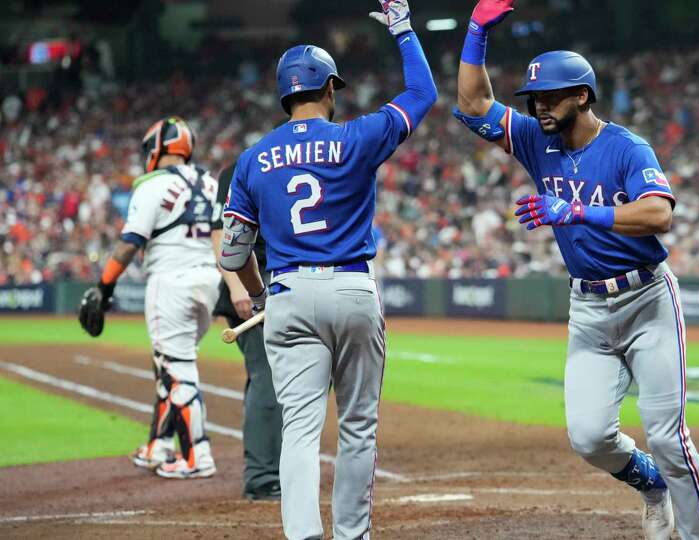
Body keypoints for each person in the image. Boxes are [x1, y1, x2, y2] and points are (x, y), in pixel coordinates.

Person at [453, 1, 699, 539]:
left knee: (668, 438)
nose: (539, 106)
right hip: (589, 309)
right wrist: (476, 33)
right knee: (589, 436)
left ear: (582, 95)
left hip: (646, 302)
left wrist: (577, 211)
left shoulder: (626, 147)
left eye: (550, 96)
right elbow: (475, 102)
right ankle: (651, 486)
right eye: (534, 98)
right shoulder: (534, 138)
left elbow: (659, 214)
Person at [218, 1, 436, 538]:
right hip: (352, 289)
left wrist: (260, 293)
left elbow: (232, 254)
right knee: (358, 429)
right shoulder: (355, 138)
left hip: (289, 294)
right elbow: (422, 94)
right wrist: (404, 30)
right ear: (329, 89)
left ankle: (302, 533)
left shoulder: (252, 158)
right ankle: (352, 534)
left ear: (284, 92)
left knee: (299, 429)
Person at [78, 116, 220, 480]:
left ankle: (197, 455)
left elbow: (130, 244)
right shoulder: (209, 181)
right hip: (209, 279)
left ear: (157, 149)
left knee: (176, 368)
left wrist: (104, 285)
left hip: (170, 280)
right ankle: (160, 444)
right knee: (168, 365)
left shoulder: (152, 185)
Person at [211, 160, 283, 501]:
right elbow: (221, 230)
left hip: (283, 280)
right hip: (253, 281)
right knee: (268, 376)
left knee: (281, 379)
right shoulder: (243, 165)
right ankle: (262, 477)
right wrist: (237, 286)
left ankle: (275, 466)